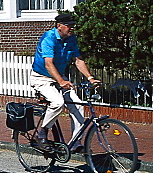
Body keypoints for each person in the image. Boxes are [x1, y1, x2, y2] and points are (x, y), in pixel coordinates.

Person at [29, 12, 101, 151]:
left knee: (78, 105)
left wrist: (90, 78)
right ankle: (42, 134)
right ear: (59, 26)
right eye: (69, 26)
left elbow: (78, 61)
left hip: (59, 78)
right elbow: (48, 64)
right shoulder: (49, 38)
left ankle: (75, 142)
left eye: (73, 26)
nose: (72, 28)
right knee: (58, 103)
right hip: (41, 78)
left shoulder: (71, 39)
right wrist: (61, 81)